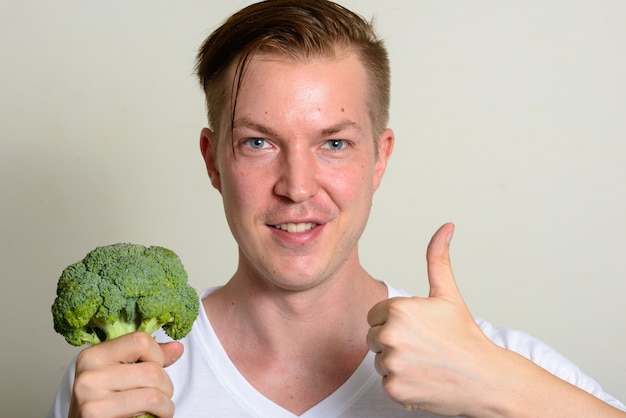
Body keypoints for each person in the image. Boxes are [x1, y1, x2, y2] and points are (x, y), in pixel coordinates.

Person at [47, 1, 625, 417]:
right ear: (213, 160)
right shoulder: (120, 377)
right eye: (258, 142)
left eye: (334, 143)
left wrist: (497, 386)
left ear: (380, 159)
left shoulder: (507, 367)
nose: (297, 187)